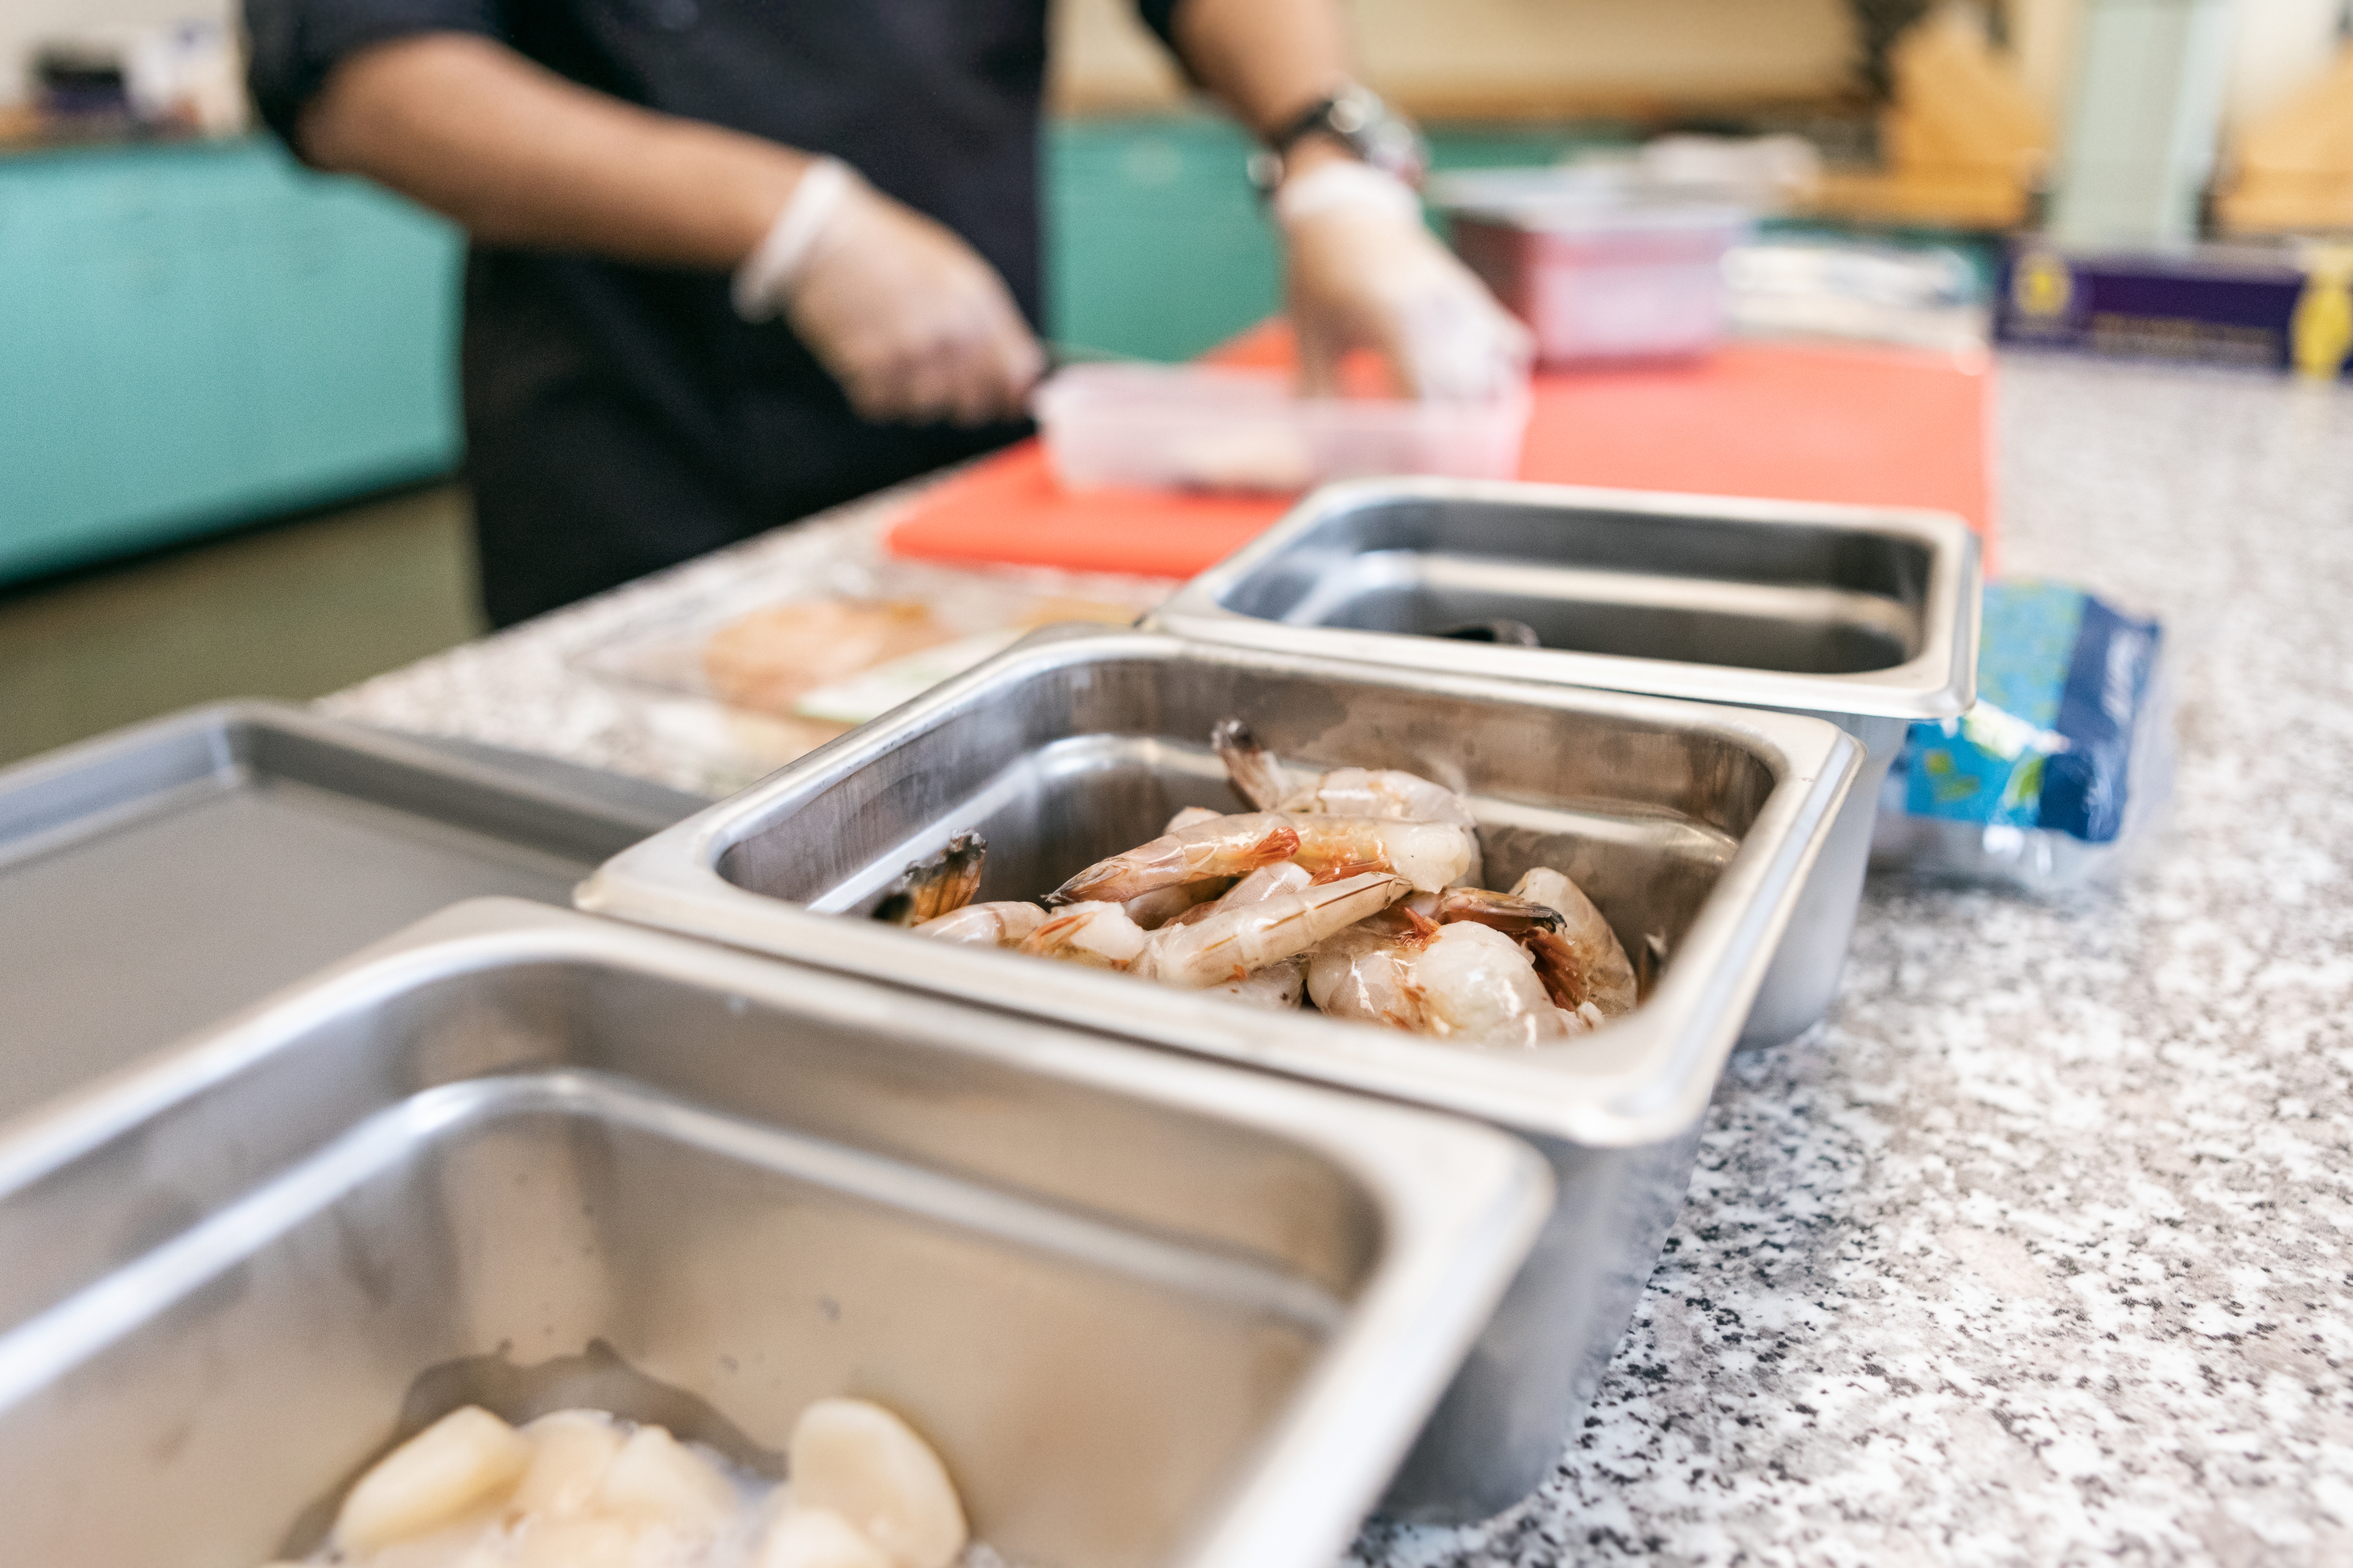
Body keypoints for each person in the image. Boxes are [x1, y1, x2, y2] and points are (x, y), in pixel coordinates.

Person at [245, 0, 1530, 627]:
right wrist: (792, 222)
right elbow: (366, 75)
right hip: (645, 448)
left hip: (975, 451)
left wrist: (1329, 159)